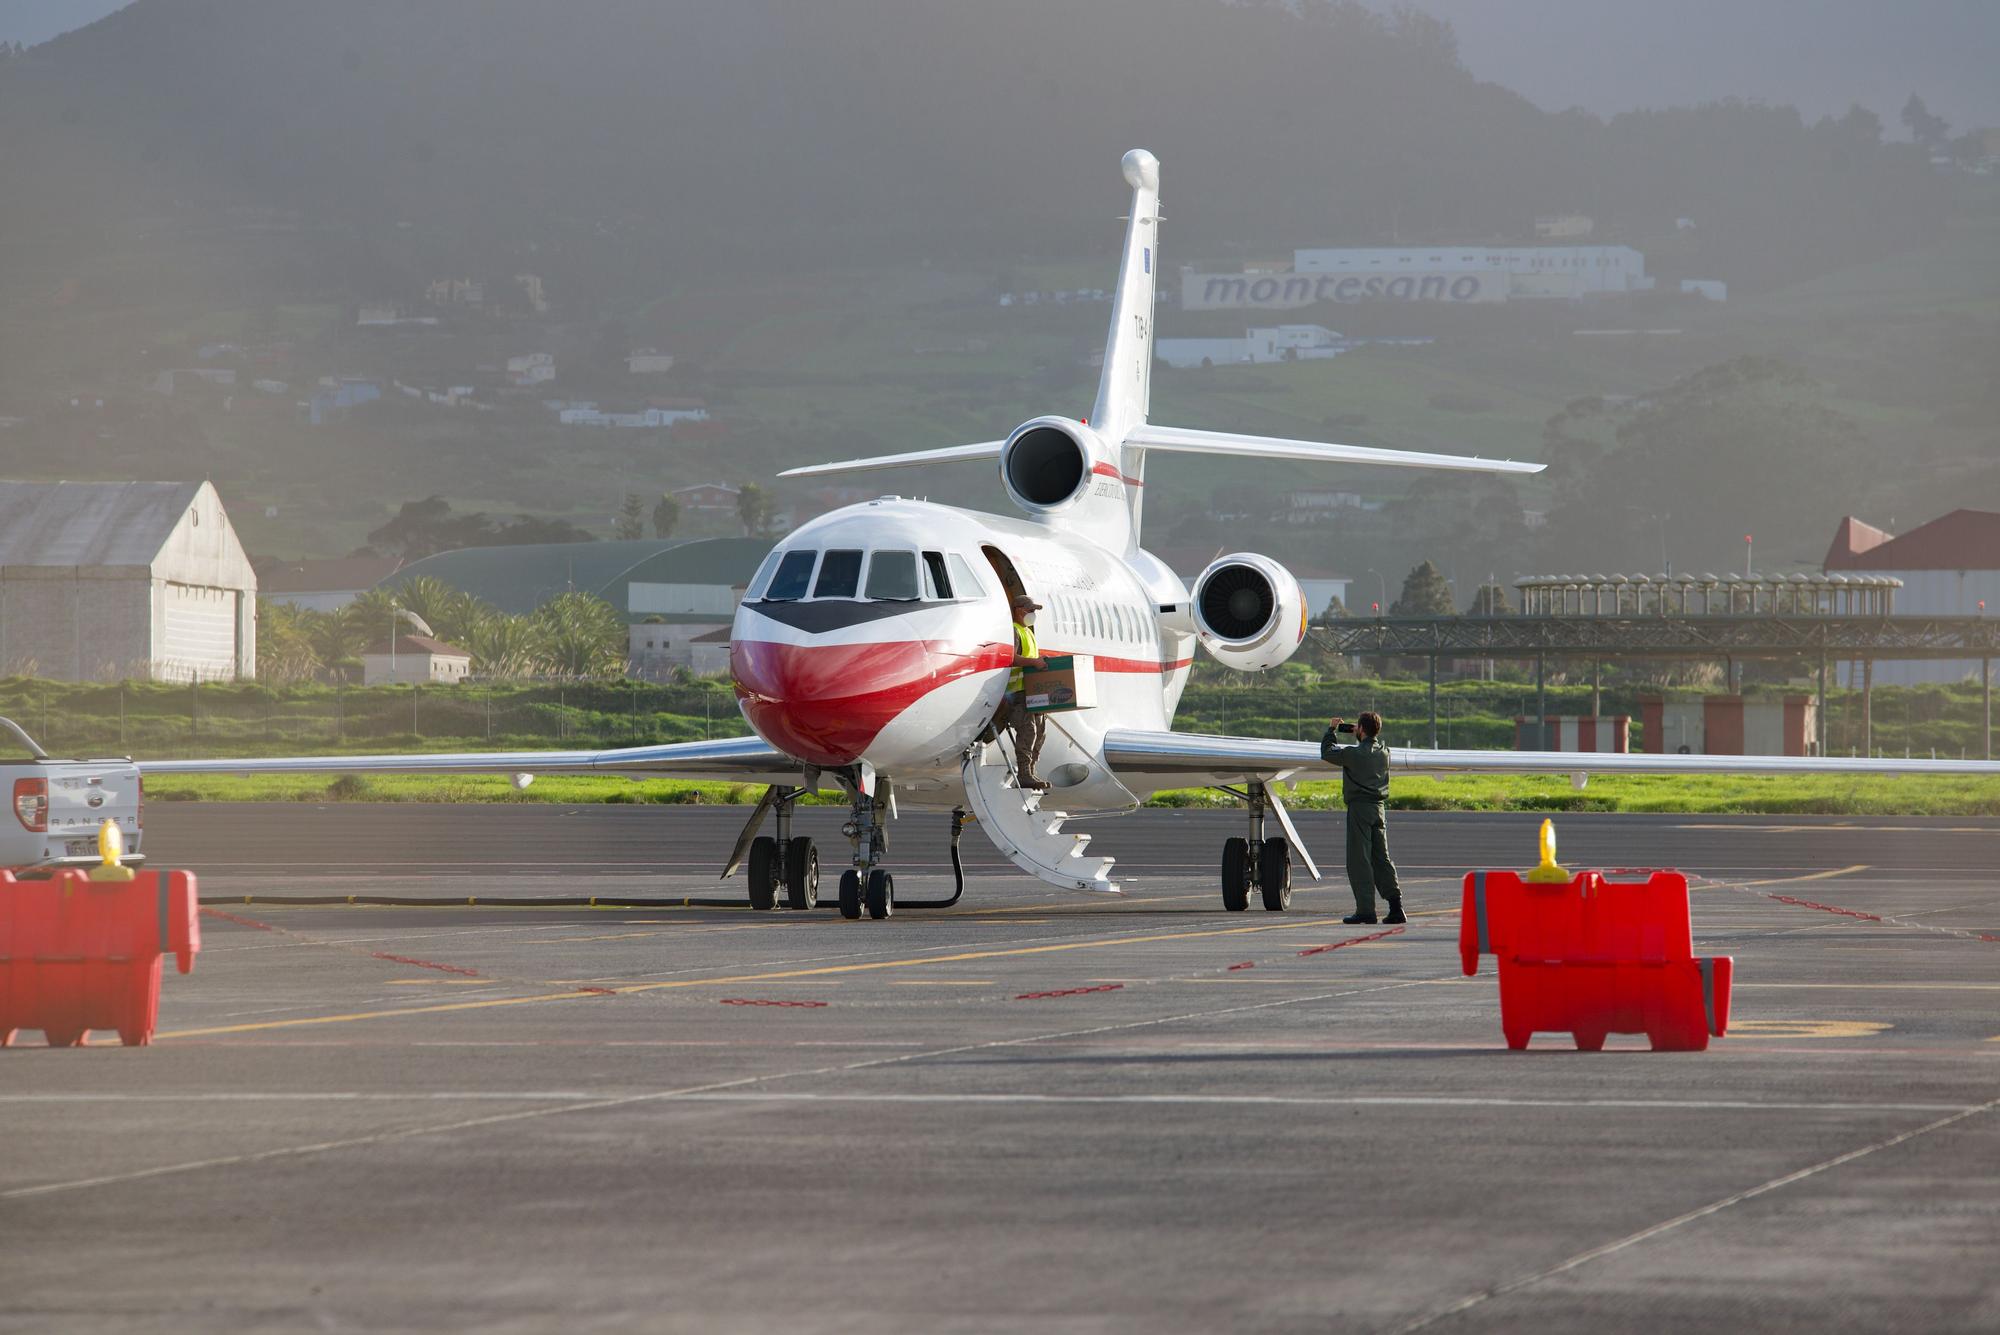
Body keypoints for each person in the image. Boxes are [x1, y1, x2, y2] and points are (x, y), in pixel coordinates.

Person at [1321, 712, 1404, 924]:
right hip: (1379, 809)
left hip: (1360, 809)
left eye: (1357, 727)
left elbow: (1327, 753)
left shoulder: (1353, 754)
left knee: (1360, 860)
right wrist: (1361, 735)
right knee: (1382, 858)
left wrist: (1331, 730)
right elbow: (1369, 747)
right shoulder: (1384, 752)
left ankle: (1366, 909)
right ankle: (1396, 906)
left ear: (1362, 729)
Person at [995, 593, 1048, 789]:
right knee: (1028, 731)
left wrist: (1039, 660)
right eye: (1030, 610)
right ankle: (1024, 773)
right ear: (1018, 610)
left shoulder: (1029, 632)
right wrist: (1034, 662)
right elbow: (1012, 658)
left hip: (1033, 693)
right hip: (1018, 693)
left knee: (1040, 732)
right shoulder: (1014, 631)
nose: (1033, 614)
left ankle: (1031, 770)